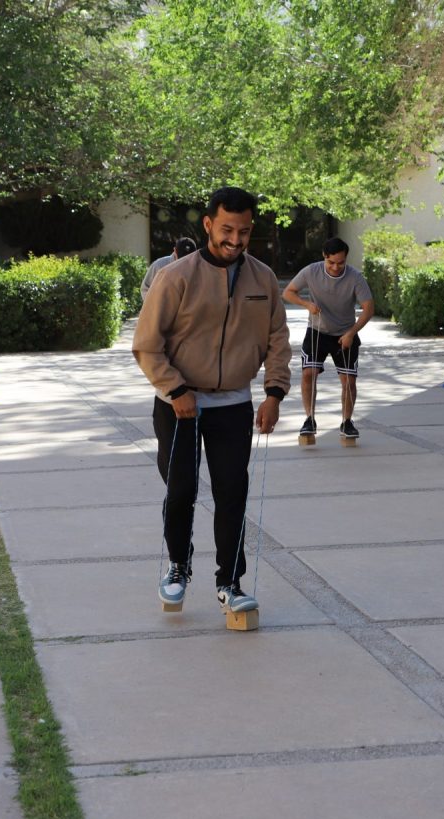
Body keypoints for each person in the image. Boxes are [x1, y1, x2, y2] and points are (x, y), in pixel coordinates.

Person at [133, 187, 291, 617]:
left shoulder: (262, 279)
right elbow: (146, 344)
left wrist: (274, 393)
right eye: (226, 229)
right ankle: (178, 566)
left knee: (232, 492)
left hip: (233, 404)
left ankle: (230, 583)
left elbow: (277, 339)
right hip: (178, 406)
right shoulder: (175, 277)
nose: (235, 240)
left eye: (244, 231)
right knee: (181, 489)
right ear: (208, 224)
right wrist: (176, 389)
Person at [281, 237, 374, 441]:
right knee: (309, 374)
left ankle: (347, 422)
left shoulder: (355, 277)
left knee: (349, 380)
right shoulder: (311, 271)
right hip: (317, 331)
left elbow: (368, 309)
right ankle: (309, 419)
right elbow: (288, 293)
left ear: (346, 259)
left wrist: (351, 333)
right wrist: (307, 304)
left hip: (345, 333)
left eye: (341, 263)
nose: (335, 267)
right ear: (324, 256)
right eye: (331, 262)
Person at [140, 236, 198, 301]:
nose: (184, 262)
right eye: (181, 258)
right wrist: (157, 304)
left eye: (188, 258)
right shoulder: (159, 265)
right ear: (175, 250)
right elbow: (145, 289)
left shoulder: (199, 268)